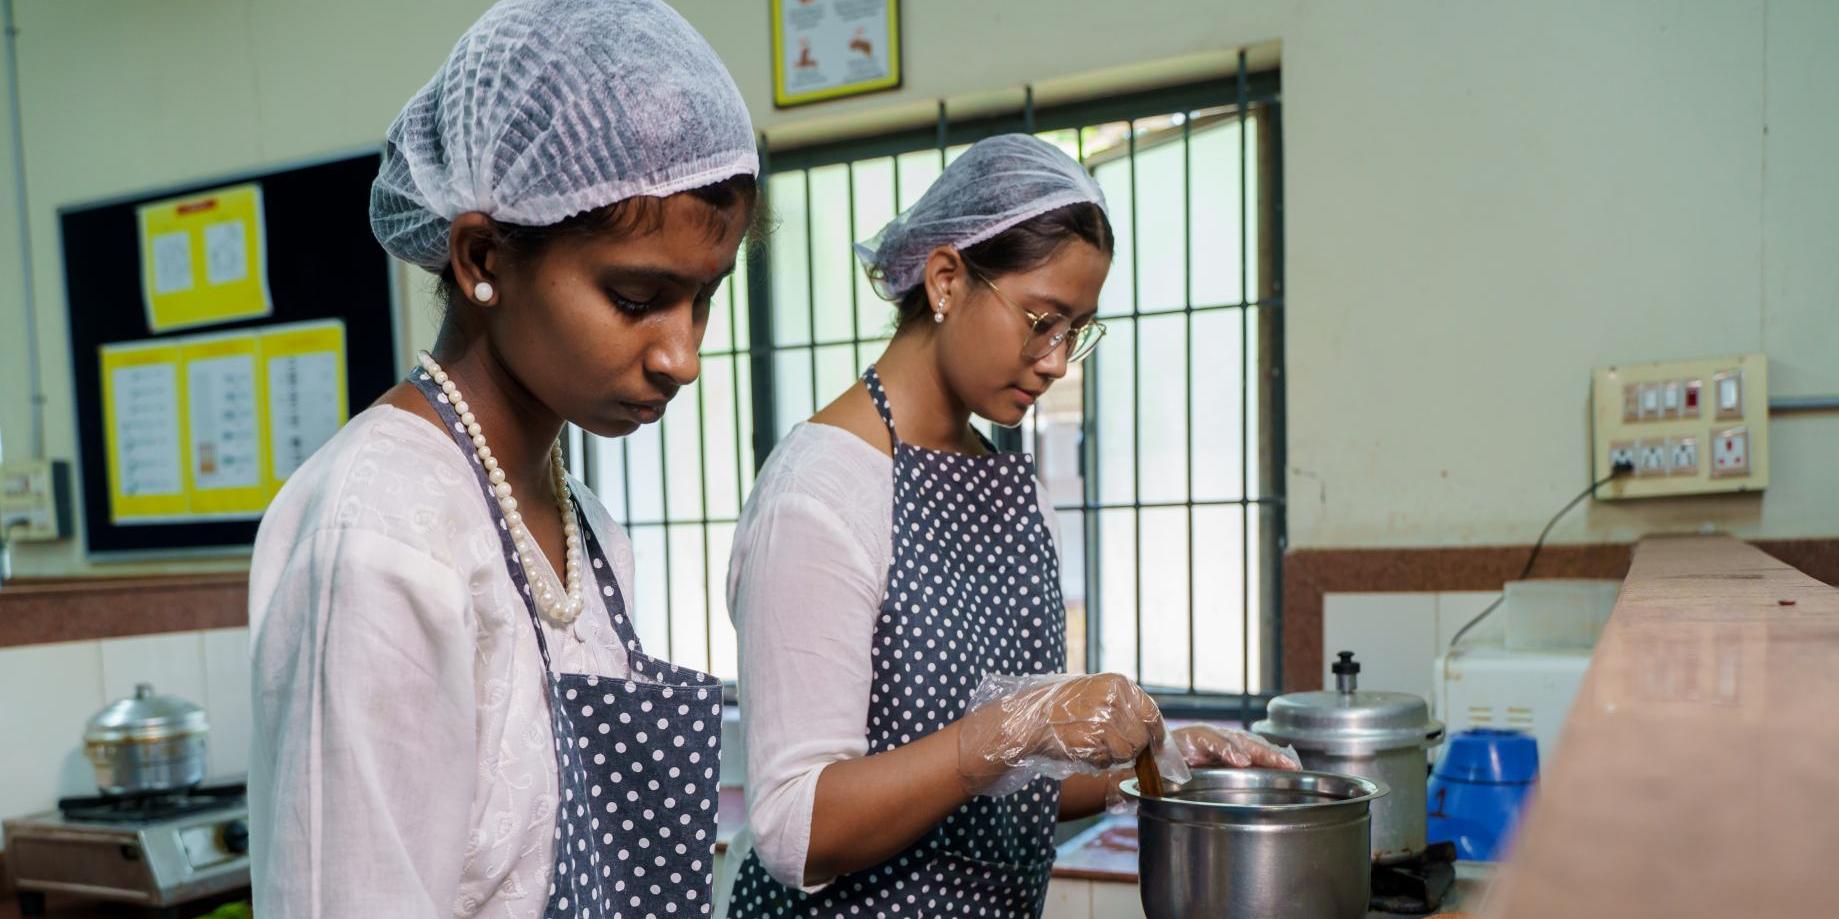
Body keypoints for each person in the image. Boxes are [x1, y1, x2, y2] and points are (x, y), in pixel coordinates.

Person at [245, 1, 757, 914]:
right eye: (637, 298)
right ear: (483, 257)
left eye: (703, 299)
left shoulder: (586, 524)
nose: (682, 356)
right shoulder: (382, 533)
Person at [722, 134, 1297, 918]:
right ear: (946, 280)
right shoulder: (821, 491)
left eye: (1076, 330)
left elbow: (1010, 791)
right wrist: (1002, 731)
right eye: (1042, 320)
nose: (1057, 361)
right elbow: (796, 826)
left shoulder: (1011, 490)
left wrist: (1158, 762)